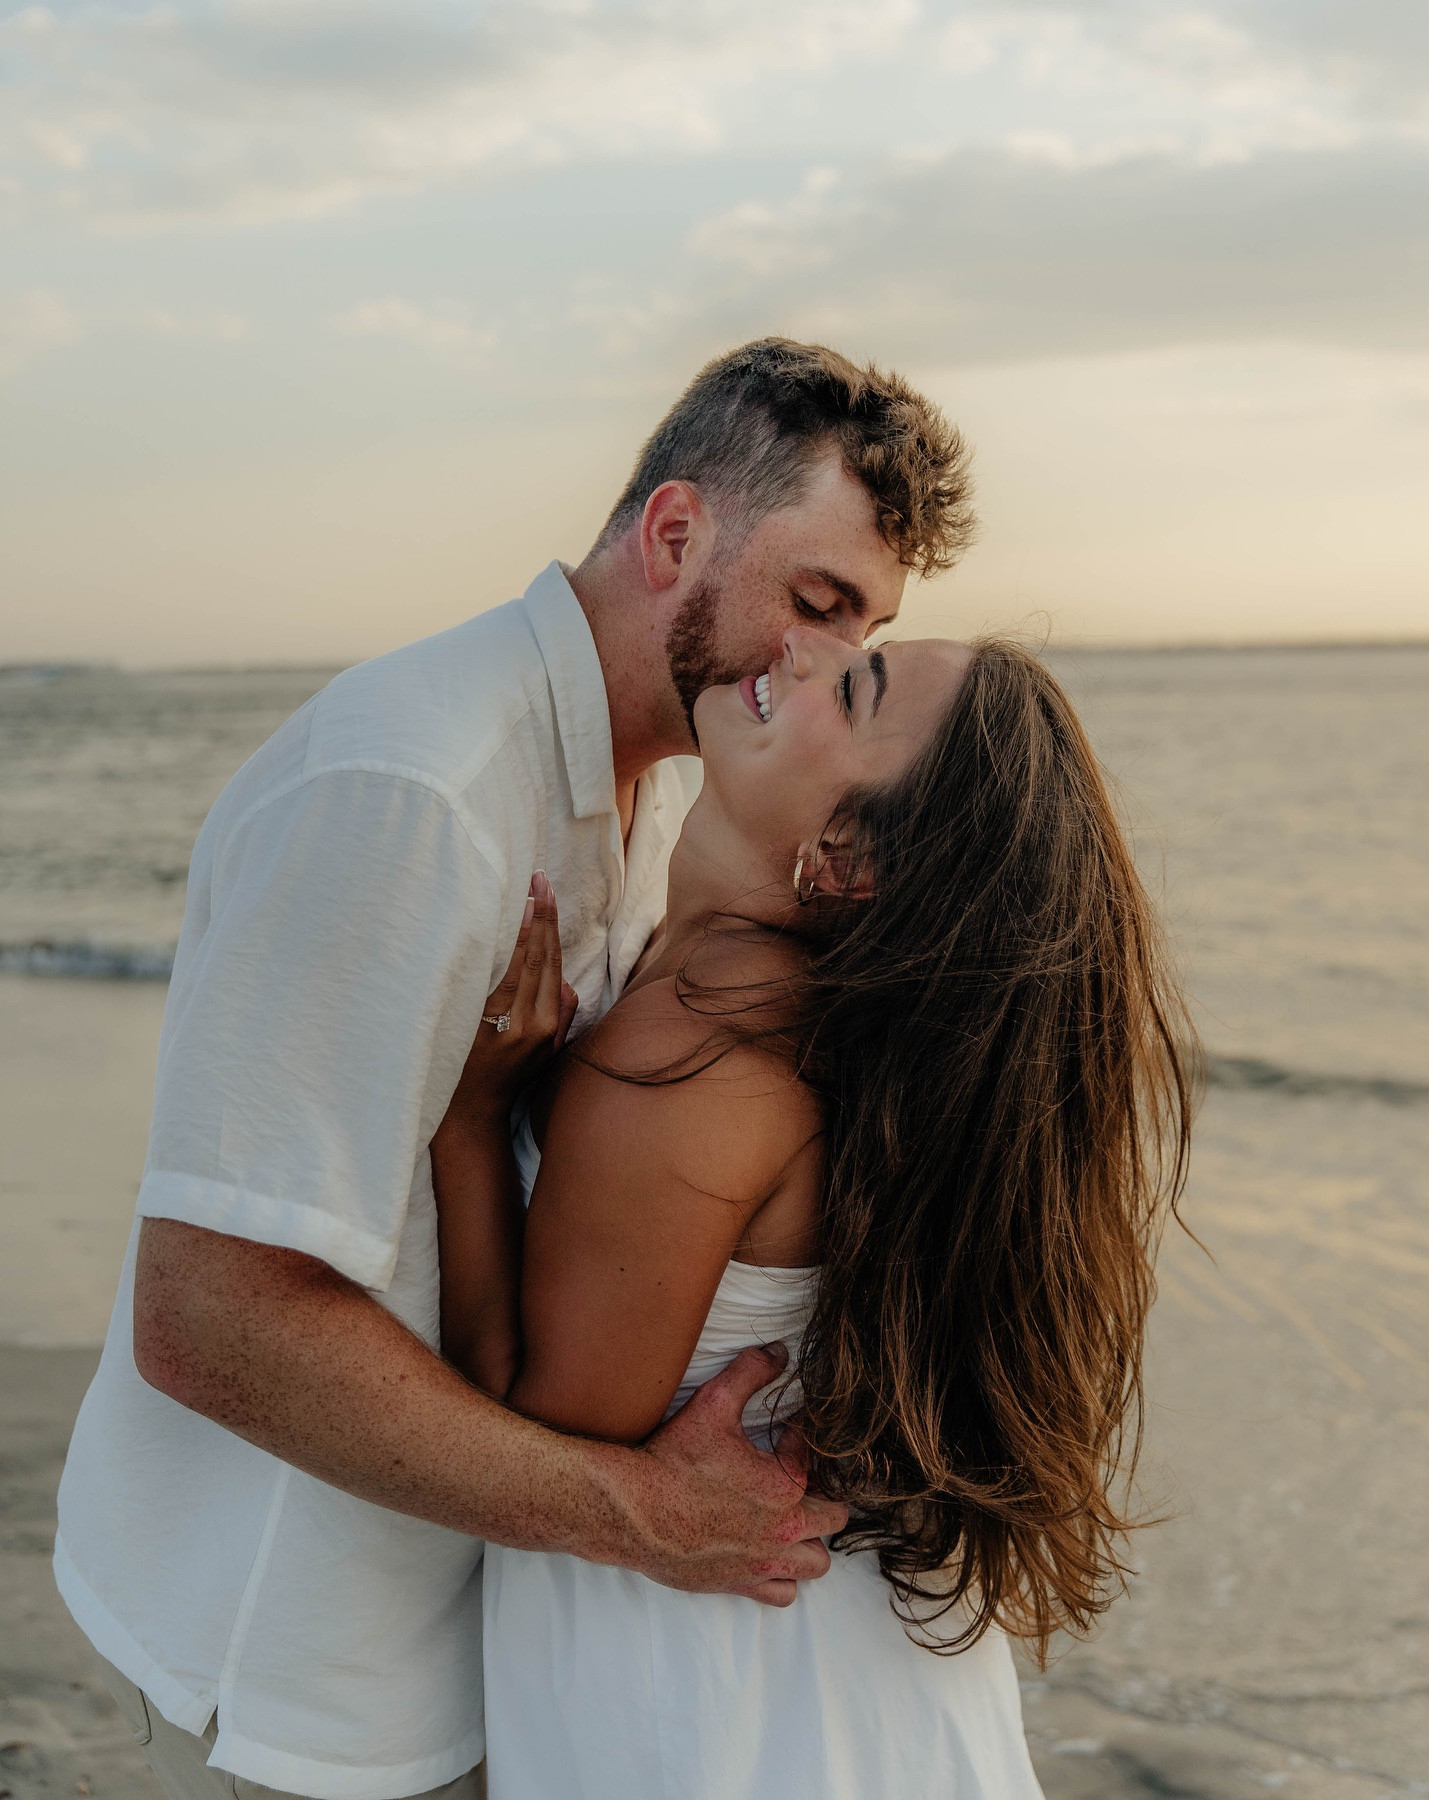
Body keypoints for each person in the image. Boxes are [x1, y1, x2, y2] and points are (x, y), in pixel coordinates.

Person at [53, 338, 977, 1800]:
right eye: (814, 603)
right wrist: (645, 1517)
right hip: (306, 1668)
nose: (818, 660)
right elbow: (209, 1318)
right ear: (675, 534)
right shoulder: (413, 793)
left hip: (487, 1647)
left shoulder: (659, 794)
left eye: (857, 639)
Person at [432, 629, 1194, 1798]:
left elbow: (524, 1430)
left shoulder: (696, 1052)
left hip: (713, 1698)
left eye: (856, 685)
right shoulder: (801, 1024)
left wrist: (470, 1121)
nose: (807, 646)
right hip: (838, 1672)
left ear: (846, 855)